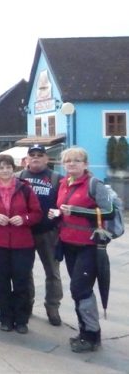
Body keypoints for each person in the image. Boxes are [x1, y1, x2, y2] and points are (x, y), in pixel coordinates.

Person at [54, 147, 113, 352]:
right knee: (78, 290)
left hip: (89, 246)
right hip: (69, 244)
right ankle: (84, 331)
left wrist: (77, 210)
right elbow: (64, 212)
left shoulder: (95, 184)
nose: (72, 164)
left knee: (80, 289)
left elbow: (109, 211)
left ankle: (92, 335)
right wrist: (57, 214)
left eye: (77, 161)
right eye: (68, 161)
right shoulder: (63, 183)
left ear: (85, 164)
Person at [0, 154, 42, 333]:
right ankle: (6, 319)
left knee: (21, 282)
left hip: (22, 243)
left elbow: (37, 213)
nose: (5, 170)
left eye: (8, 167)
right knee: (2, 282)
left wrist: (24, 219)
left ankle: (21, 320)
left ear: (13, 168)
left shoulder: (25, 189)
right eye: (1, 168)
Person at [17, 144, 63, 326]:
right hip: (25, 233)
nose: (35, 158)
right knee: (25, 272)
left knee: (53, 273)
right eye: (32, 155)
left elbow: (64, 204)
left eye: (39, 155)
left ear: (46, 158)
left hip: (48, 233)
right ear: (27, 159)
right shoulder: (18, 177)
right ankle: (27, 304)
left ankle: (53, 307)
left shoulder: (56, 178)